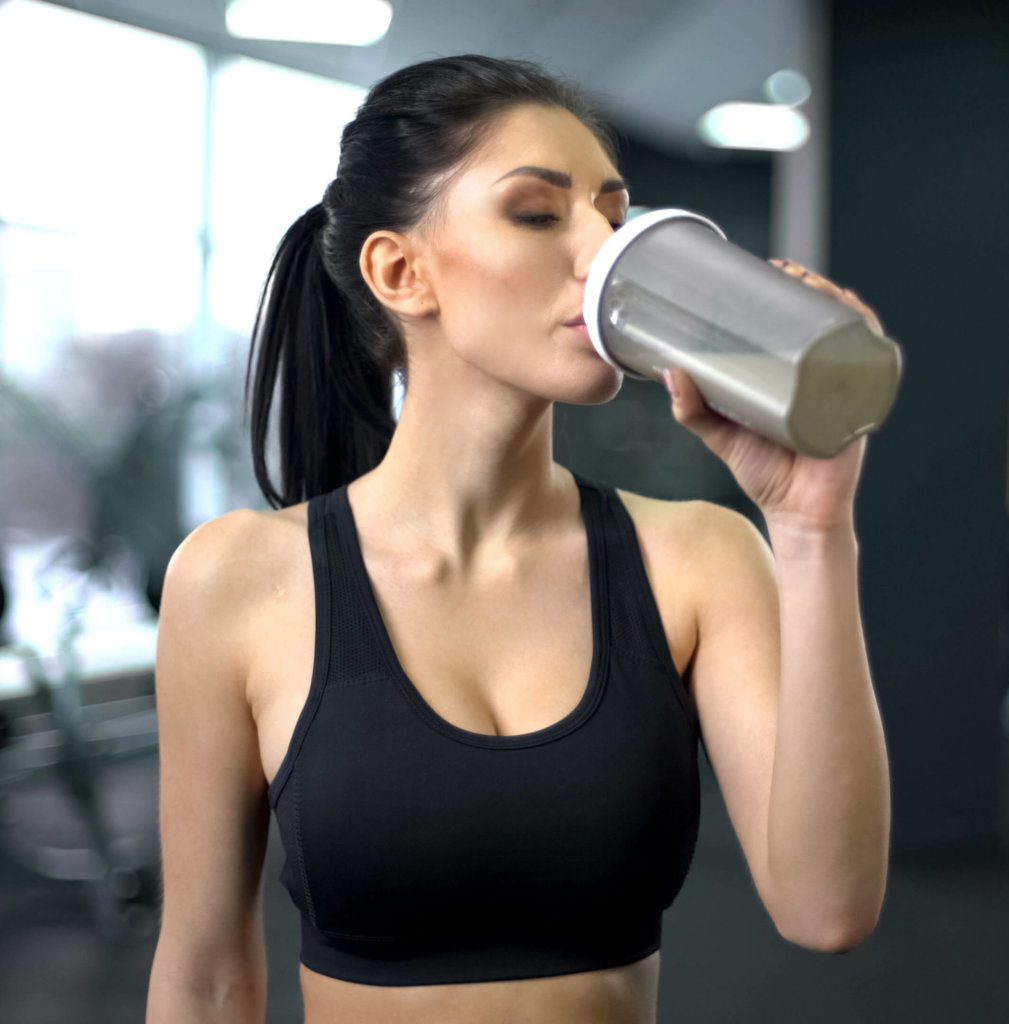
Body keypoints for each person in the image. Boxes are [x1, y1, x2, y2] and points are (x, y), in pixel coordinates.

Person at [145, 53, 891, 1024]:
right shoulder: (238, 579)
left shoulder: (699, 558)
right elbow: (203, 976)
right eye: (538, 214)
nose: (601, 256)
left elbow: (826, 908)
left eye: (613, 219)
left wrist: (811, 527)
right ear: (400, 271)